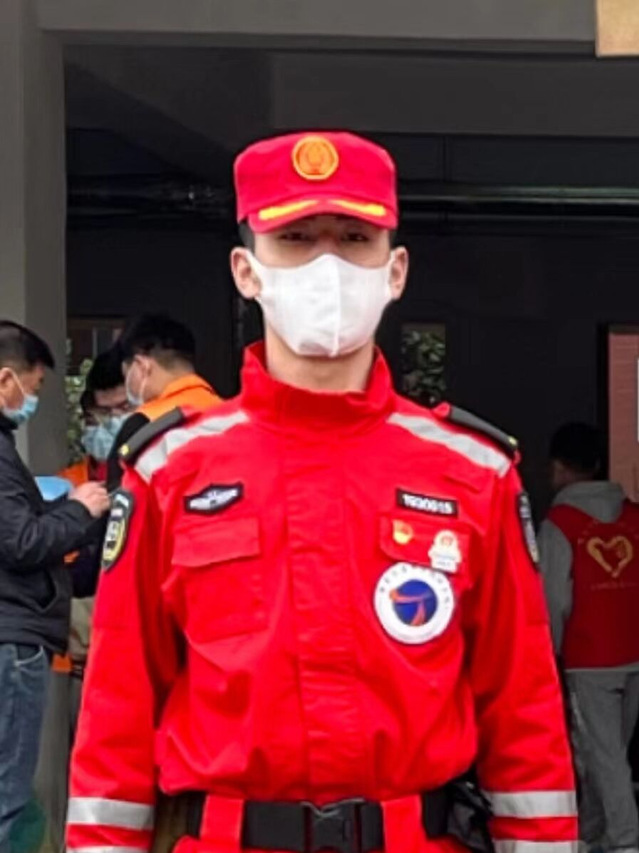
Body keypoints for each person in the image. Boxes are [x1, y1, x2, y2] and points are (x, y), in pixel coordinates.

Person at [69, 132, 576, 853]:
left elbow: (522, 707)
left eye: (355, 238)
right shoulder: (169, 471)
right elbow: (117, 710)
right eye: (297, 238)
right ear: (246, 270)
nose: (327, 264)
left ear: (395, 270)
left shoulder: (472, 471)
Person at [0, 320, 109, 853]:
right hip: (12, 640)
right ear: (6, 380)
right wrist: (78, 510)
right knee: (7, 796)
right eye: (35, 387)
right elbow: (19, 542)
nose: (33, 400)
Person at [538, 422, 639, 853]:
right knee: (611, 752)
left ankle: (624, 840)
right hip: (634, 649)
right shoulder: (634, 518)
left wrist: (549, 656)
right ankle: (593, 833)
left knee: (604, 755)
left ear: (559, 468)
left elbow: (554, 598)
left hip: (588, 656)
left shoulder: (560, 524)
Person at [105, 315, 219, 491]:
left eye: (127, 375)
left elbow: (119, 499)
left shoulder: (143, 425)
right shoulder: (232, 415)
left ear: (141, 366)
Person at [61, 348, 133, 488]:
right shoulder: (68, 484)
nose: (114, 420)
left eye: (125, 408)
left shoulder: (162, 476)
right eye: (103, 412)